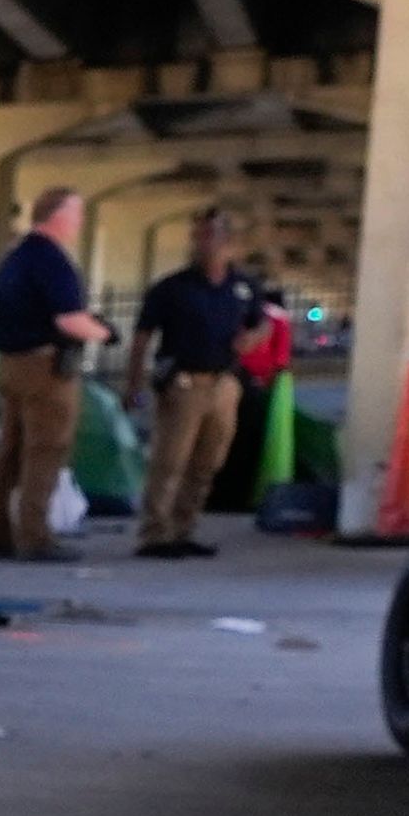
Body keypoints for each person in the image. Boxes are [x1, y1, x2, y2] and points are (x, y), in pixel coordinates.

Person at [0, 185, 111, 563]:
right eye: (77, 213)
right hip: (45, 368)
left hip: (9, 365)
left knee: (9, 451)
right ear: (59, 216)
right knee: (45, 450)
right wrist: (104, 332)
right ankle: (35, 536)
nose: (80, 222)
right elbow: (68, 319)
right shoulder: (52, 261)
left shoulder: (14, 259)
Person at [123, 210, 265, 559]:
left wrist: (252, 339)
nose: (204, 244)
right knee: (170, 461)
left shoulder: (242, 287)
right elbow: (142, 337)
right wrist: (134, 384)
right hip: (184, 382)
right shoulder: (172, 288)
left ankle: (183, 528)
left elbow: (264, 323)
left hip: (224, 382)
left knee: (207, 462)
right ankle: (155, 533)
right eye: (199, 236)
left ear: (230, 244)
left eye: (212, 237)